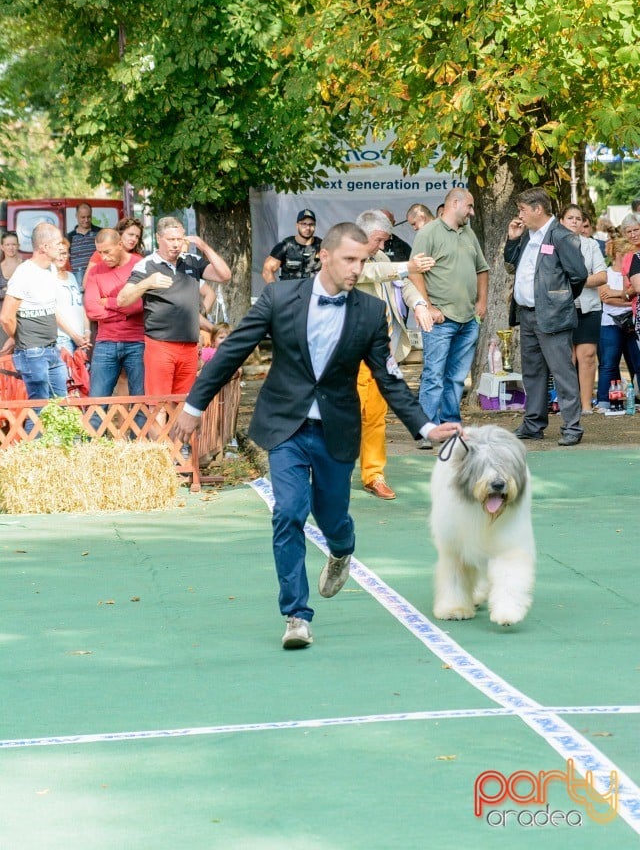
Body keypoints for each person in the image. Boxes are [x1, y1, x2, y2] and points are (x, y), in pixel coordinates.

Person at [171, 222, 461, 650]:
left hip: (337, 429)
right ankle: (296, 616)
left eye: (362, 261)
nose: (357, 269)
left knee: (331, 519)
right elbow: (232, 351)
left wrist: (424, 425)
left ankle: (342, 548)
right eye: (349, 259)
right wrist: (194, 406)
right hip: (285, 426)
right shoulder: (280, 296)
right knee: (288, 512)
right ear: (324, 256)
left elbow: (389, 376)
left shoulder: (368, 311)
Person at [354, 209, 434, 499]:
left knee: (376, 417)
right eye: (378, 240)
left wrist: (420, 305)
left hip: (380, 354)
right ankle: (325, 473)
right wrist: (406, 266)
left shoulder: (383, 258)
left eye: (385, 241)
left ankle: (373, 475)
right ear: (363, 233)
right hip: (348, 355)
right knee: (341, 416)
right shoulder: (346, 255)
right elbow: (367, 273)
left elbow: (405, 284)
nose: (381, 246)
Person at [504, 188, 587, 445]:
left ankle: (572, 427)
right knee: (532, 372)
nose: (520, 215)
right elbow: (511, 263)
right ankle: (533, 423)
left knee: (562, 372)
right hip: (527, 314)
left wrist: (558, 300)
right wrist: (513, 239)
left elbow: (579, 275)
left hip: (552, 316)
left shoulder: (561, 236)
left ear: (538, 209)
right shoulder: (528, 235)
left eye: (523, 210)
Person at [116, 216, 231, 396]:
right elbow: (122, 300)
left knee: (182, 404)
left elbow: (224, 275)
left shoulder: (191, 261)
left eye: (179, 239)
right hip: (161, 344)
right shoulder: (147, 265)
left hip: (190, 345)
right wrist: (146, 283)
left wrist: (204, 247)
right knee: (159, 405)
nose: (176, 244)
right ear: (158, 238)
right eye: (171, 239)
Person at [410, 187, 489, 425]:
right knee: (434, 375)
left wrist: (482, 302)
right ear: (455, 203)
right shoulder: (428, 233)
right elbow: (415, 273)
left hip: (468, 319)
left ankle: (450, 423)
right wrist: (429, 307)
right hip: (440, 320)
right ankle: (426, 427)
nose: (472, 213)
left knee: (456, 377)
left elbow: (482, 269)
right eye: (470, 206)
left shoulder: (468, 233)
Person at [0, 223, 68, 405]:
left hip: (52, 348)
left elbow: (51, 309)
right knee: (39, 408)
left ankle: (65, 435)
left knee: (62, 406)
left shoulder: (51, 269)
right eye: (58, 243)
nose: (61, 247)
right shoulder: (24, 273)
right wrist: (17, 338)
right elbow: (6, 316)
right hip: (32, 352)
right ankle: (32, 435)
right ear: (44, 247)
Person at [84, 229, 146, 400]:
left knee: (141, 400)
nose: (103, 257)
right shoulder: (96, 271)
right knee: (96, 401)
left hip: (137, 341)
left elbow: (139, 304)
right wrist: (124, 312)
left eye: (107, 252)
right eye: (100, 252)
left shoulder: (139, 264)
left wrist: (109, 302)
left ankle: (138, 429)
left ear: (120, 245)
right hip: (105, 341)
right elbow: (91, 309)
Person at [560, 206, 607, 413]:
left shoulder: (591, 245)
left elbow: (602, 276)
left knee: (587, 356)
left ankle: (586, 405)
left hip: (588, 308)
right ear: (561, 221)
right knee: (566, 358)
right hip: (561, 309)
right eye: (570, 218)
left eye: (578, 219)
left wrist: (577, 281)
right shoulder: (552, 245)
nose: (574, 222)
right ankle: (569, 406)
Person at [596, 237, 640, 409]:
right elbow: (606, 299)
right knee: (608, 363)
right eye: (626, 255)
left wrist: (619, 295)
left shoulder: (630, 274)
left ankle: (636, 397)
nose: (629, 259)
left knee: (637, 361)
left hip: (631, 321)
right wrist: (628, 297)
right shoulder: (606, 273)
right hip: (610, 323)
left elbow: (630, 293)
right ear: (618, 254)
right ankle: (604, 400)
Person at [83, 216, 146, 289]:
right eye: (131, 234)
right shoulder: (100, 253)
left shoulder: (139, 259)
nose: (134, 239)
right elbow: (86, 284)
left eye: (137, 237)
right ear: (120, 233)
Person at [261, 209, 322, 282]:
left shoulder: (322, 247)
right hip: (290, 292)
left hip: (312, 292)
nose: (307, 228)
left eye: (311, 224)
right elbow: (267, 271)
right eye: (304, 224)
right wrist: (277, 292)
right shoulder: (284, 247)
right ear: (297, 225)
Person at [55, 239, 91, 354]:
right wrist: (74, 336)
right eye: (57, 253)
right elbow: (53, 312)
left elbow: (80, 305)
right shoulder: (47, 277)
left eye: (64, 253)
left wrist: (87, 331)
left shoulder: (71, 276)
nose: (61, 257)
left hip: (81, 339)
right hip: (62, 339)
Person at [66, 202, 100, 286]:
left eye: (89, 217)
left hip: (97, 275)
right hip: (77, 278)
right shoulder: (69, 237)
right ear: (76, 216)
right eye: (83, 217)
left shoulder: (99, 233)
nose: (86, 220)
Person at [0, 231, 23, 351]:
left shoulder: (25, 266)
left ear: (18, 245)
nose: (11, 248)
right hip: (2, 319)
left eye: (14, 244)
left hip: (22, 317)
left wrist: (6, 290)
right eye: (7, 245)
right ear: (1, 247)